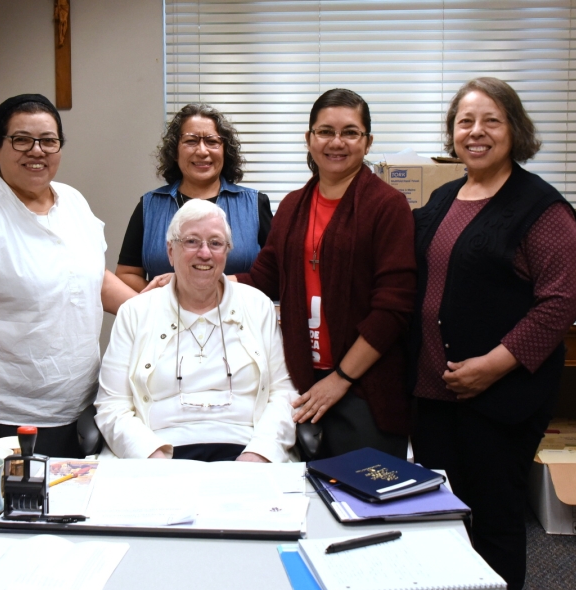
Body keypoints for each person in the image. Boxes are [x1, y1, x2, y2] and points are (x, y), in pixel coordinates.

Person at [408, 77, 576, 590]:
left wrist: (495, 364)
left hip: (499, 397)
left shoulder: (541, 207)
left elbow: (561, 301)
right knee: (442, 516)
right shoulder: (442, 198)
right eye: (465, 121)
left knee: (493, 518)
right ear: (452, 133)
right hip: (435, 395)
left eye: (491, 120)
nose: (476, 132)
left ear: (514, 129)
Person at [0, 93, 137, 458]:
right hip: (7, 414)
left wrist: (151, 309)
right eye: (21, 139)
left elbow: (92, 279)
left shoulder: (73, 202)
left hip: (82, 402)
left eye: (49, 141)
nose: (37, 151)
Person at [234, 89, 417, 460]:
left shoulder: (387, 206)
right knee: (300, 495)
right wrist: (197, 282)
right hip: (301, 377)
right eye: (325, 131)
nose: (337, 142)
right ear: (309, 139)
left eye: (350, 132)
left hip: (365, 383)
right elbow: (263, 278)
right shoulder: (291, 206)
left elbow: (393, 309)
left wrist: (342, 378)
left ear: (367, 142)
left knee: (364, 496)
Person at [95, 200, 297, 462]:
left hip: (246, 448)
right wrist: (152, 456)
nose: (205, 253)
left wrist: (259, 454)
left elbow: (283, 394)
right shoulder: (135, 312)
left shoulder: (258, 305)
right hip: (160, 451)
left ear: (227, 251)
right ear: (170, 251)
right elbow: (112, 405)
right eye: (191, 241)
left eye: (215, 243)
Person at [115, 104, 273, 291]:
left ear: (225, 150)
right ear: (175, 151)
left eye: (212, 141)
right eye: (191, 141)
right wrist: (170, 297)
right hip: (169, 317)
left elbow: (276, 274)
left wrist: (208, 284)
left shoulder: (255, 205)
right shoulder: (150, 206)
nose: (202, 151)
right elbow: (127, 274)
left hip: (239, 318)